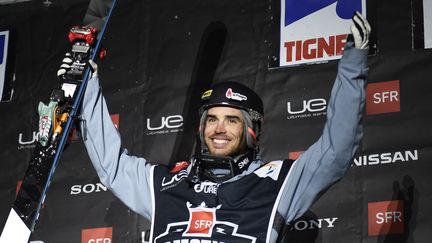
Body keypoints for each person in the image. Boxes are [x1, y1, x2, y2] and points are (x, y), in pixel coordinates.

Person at [63, 11, 370, 243]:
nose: (218, 129)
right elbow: (112, 165)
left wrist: (352, 67)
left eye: (232, 119)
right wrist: (85, 83)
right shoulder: (166, 185)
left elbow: (336, 151)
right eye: (212, 119)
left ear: (253, 130)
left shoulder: (278, 185)